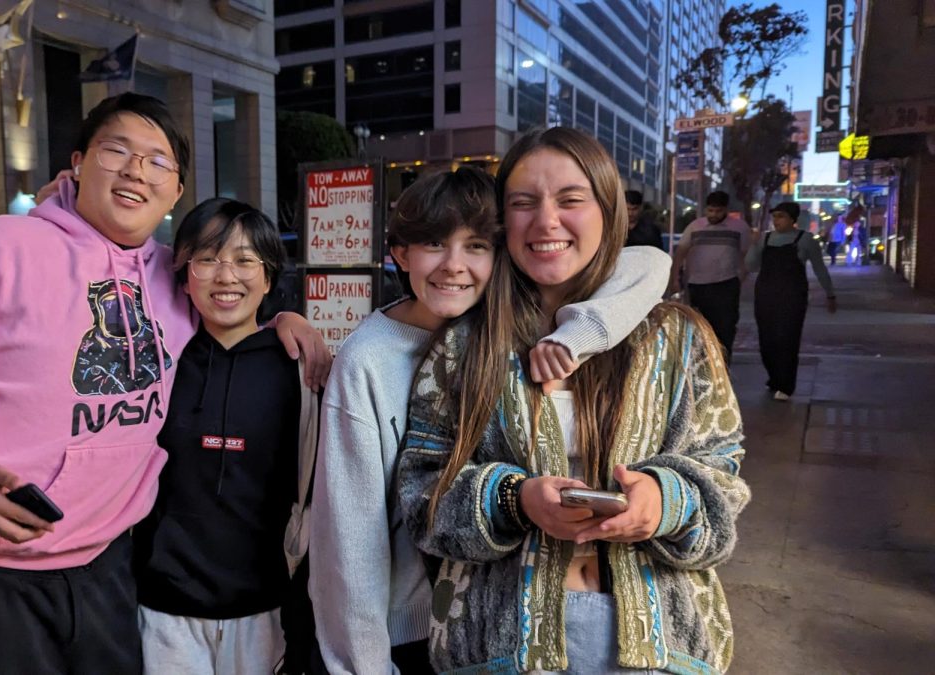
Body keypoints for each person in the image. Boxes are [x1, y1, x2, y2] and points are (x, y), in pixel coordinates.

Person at [0, 93, 329, 674]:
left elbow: (229, 299)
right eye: (117, 151)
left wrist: (284, 318)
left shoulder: (172, 273)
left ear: (176, 192)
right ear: (77, 163)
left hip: (109, 570)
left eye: (158, 162)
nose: (135, 171)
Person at [398, 127, 750, 674]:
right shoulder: (464, 344)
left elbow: (726, 485)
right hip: (495, 649)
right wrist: (515, 501)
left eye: (570, 200)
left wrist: (662, 501)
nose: (546, 222)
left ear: (608, 211)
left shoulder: (677, 340)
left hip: (659, 651)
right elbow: (419, 493)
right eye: (523, 203)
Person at [311, 164, 671, 675]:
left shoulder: (502, 332)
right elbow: (348, 536)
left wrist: (580, 335)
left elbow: (649, 264)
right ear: (399, 253)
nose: (453, 266)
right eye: (434, 244)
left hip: (481, 622)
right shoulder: (368, 360)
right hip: (401, 630)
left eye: (477, 245)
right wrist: (362, 664)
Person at [134, 197, 316, 673]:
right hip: (163, 607)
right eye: (208, 259)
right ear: (184, 273)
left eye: (244, 260)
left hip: (263, 608)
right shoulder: (158, 361)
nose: (226, 275)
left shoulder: (300, 373)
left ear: (269, 276)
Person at [748, 202, 836, 401]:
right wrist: (754, 245)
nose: (776, 220)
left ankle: (786, 385)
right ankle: (774, 378)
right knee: (767, 340)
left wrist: (830, 294)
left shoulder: (805, 240)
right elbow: (751, 265)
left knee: (787, 340)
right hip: (765, 295)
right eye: (775, 216)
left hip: (792, 297)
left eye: (781, 216)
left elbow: (820, 268)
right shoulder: (765, 239)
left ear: (792, 219)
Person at [669, 190, 752, 362]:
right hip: (697, 285)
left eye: (718, 211)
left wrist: (740, 277)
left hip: (726, 284)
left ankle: (722, 365)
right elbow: (681, 252)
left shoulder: (739, 228)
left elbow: (746, 255)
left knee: (725, 328)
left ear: (725, 210)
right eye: (710, 211)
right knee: (698, 328)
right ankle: (701, 365)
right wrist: (675, 278)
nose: (713, 215)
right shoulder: (695, 227)